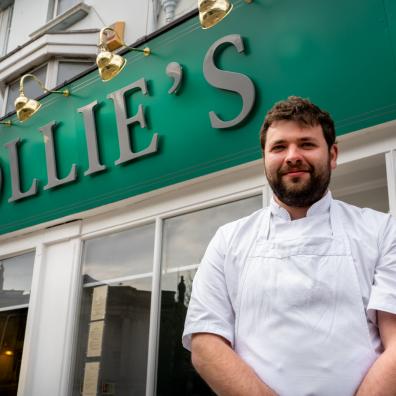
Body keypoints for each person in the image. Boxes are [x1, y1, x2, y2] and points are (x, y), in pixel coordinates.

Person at [182, 96, 396, 396]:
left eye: (307, 144)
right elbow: (206, 345)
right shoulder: (228, 240)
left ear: (332, 154)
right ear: (265, 159)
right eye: (279, 147)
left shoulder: (382, 230)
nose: (292, 156)